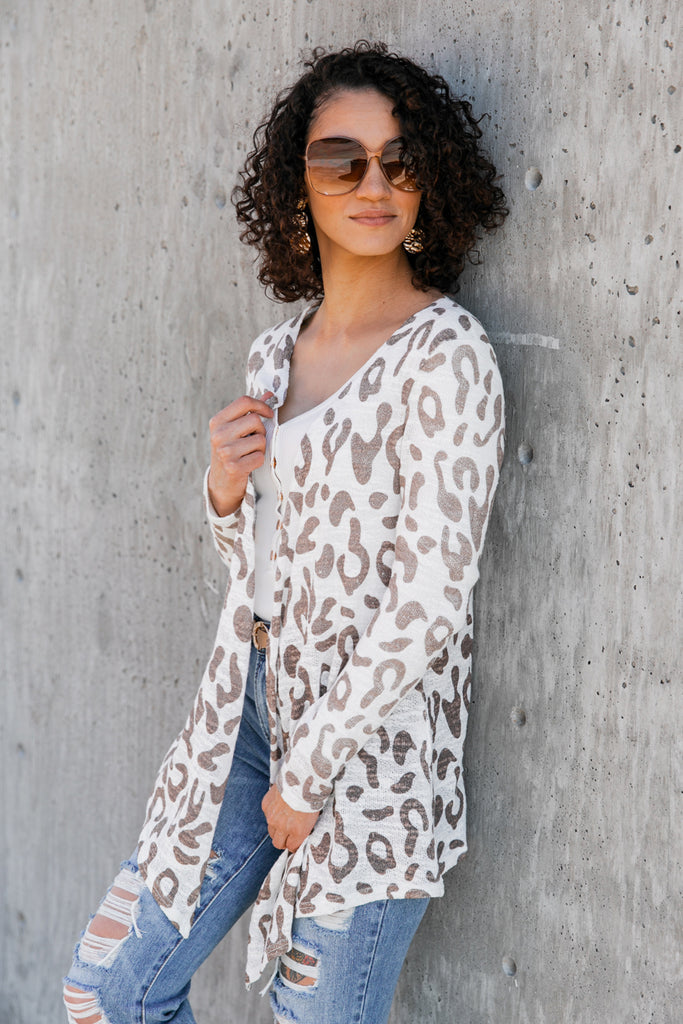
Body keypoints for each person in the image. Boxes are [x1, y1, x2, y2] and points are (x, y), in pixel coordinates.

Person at [63, 40, 508, 1024]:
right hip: (249, 710)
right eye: (340, 159)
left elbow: (431, 598)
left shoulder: (447, 358)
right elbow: (264, 571)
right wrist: (225, 491)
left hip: (370, 753)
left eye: (398, 159)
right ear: (296, 184)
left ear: (429, 181)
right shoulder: (275, 354)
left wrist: (308, 774)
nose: (372, 183)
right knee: (107, 994)